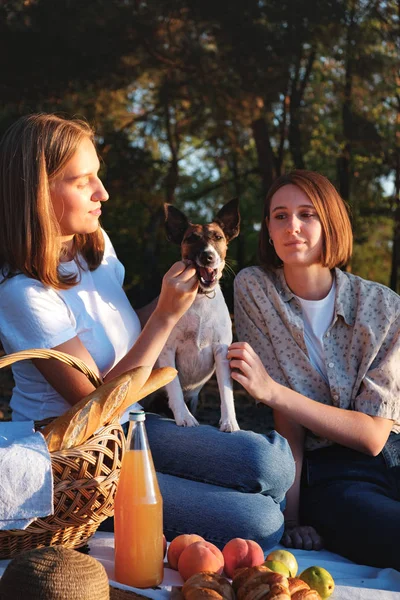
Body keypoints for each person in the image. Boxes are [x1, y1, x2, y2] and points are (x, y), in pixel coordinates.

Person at [0, 113, 295, 551]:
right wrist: (166, 316)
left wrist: (182, 299)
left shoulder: (91, 247)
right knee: (260, 519)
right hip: (79, 462)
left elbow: (127, 329)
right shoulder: (22, 294)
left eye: (98, 176)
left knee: (271, 461)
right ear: (39, 192)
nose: (104, 192)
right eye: (84, 182)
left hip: (133, 426)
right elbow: (94, 405)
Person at [228, 169, 400, 570]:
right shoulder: (256, 289)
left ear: (330, 224)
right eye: (280, 216)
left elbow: (374, 436)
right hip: (330, 472)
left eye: (307, 214)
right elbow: (287, 422)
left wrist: (272, 389)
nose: (293, 227)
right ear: (268, 229)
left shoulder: (384, 306)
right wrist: (292, 518)